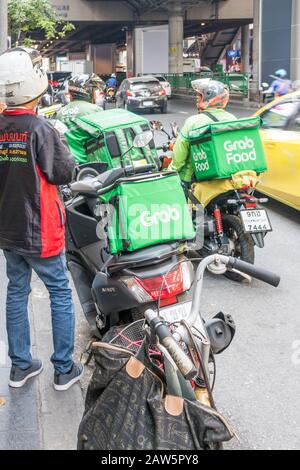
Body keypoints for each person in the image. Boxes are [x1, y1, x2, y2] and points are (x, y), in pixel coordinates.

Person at [0, 47, 83, 391]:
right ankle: (64, 368)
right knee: (60, 291)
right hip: (41, 230)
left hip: (7, 229)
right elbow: (65, 172)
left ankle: (21, 366)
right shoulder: (41, 128)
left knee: (16, 290)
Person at [170, 79, 236, 193]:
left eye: (200, 95)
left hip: (194, 179)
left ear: (208, 98)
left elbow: (179, 157)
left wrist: (170, 172)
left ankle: (191, 211)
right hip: (227, 177)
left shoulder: (193, 122)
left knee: (184, 208)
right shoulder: (233, 119)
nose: (196, 97)